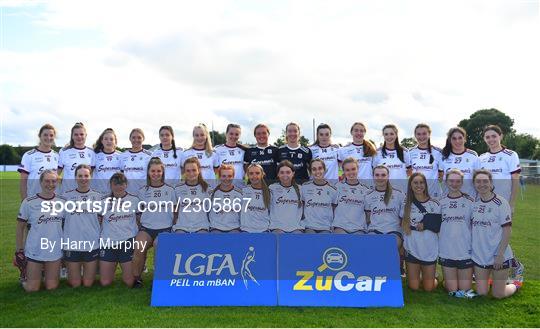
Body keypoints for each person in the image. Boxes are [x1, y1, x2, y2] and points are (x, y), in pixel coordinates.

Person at [479, 124, 524, 280]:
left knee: (501, 236)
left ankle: (515, 264)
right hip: (484, 204)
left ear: (500, 136)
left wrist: (511, 204)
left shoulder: (510, 155)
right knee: (486, 235)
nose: (491, 139)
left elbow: (515, 180)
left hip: (502, 205)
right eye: (487, 137)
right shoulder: (481, 158)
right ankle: (491, 267)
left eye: (494, 136)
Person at [471, 169, 522, 299]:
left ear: (491, 183)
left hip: (498, 254)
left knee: (498, 294)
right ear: (474, 184)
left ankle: (516, 282)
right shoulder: (473, 203)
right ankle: (492, 280)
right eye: (478, 181)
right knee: (482, 293)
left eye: (485, 181)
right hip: (480, 255)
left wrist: (499, 255)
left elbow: (507, 230)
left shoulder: (501, 203)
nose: (482, 184)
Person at [15, 170, 64, 292]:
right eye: (47, 181)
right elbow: (20, 227)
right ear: (41, 182)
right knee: (32, 289)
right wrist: (19, 250)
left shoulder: (63, 202)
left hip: (54, 249)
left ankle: (38, 274)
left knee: (51, 287)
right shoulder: (29, 202)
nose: (50, 184)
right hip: (35, 248)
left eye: (53, 181)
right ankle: (25, 277)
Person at [132, 157, 176, 288]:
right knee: (139, 246)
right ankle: (136, 279)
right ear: (148, 172)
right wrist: (142, 227)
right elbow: (138, 213)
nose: (156, 174)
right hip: (147, 228)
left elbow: (175, 212)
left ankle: (159, 279)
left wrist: (172, 227)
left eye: (158, 171)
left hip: (165, 228)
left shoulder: (170, 190)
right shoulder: (142, 191)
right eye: (153, 171)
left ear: (162, 172)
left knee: (159, 244)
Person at [62, 164, 101, 287]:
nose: (83, 178)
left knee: (88, 284)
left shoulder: (98, 197)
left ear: (90, 177)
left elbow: (102, 219)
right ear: (75, 178)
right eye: (80, 176)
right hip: (72, 243)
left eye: (86, 175)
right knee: (75, 284)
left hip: (92, 243)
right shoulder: (65, 197)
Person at [438, 169, 476, 298]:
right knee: (452, 291)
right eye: (451, 181)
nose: (454, 184)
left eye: (458, 181)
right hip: (446, 250)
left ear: (462, 182)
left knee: (465, 290)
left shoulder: (470, 201)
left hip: (465, 250)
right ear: (446, 182)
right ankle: (447, 281)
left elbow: (475, 226)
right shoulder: (439, 202)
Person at [99, 172, 141, 287]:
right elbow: (99, 221)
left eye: (121, 184)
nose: (118, 187)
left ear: (126, 185)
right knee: (105, 282)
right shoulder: (103, 201)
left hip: (127, 242)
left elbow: (139, 220)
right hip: (108, 243)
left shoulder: (134, 200)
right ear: (111, 185)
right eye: (115, 184)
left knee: (129, 282)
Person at [400, 172, 440, 292]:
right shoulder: (405, 204)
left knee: (429, 288)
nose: (419, 185)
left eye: (421, 182)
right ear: (410, 185)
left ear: (425, 185)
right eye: (415, 183)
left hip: (429, 248)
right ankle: (421, 275)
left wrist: (426, 224)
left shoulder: (435, 204)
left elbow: (438, 226)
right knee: (414, 287)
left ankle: (432, 276)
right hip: (412, 247)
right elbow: (402, 224)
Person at [365, 165, 405, 272]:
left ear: (388, 176)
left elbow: (402, 218)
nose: (380, 178)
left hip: (393, 231)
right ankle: (373, 273)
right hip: (375, 230)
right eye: (377, 175)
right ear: (373, 177)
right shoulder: (368, 195)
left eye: (383, 175)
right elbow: (368, 218)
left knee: (390, 244)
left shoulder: (399, 194)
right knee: (372, 244)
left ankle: (394, 274)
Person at [18, 124, 59, 200]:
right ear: (40, 136)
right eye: (45, 135)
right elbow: (23, 182)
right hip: (33, 200)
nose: (48, 138)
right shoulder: (28, 155)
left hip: (53, 201)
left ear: (54, 137)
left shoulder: (57, 156)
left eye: (51, 135)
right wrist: (24, 202)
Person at [332, 157, 371, 234]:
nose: (351, 172)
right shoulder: (337, 187)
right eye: (347, 170)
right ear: (343, 171)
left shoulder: (366, 190)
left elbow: (368, 213)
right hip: (340, 227)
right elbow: (332, 208)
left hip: (359, 229)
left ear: (358, 169)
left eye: (353, 169)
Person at [174, 157, 211, 233]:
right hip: (182, 227)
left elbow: (210, 210)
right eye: (188, 171)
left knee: (199, 244)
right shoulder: (177, 189)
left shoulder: (207, 188)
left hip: (202, 227)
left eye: (194, 170)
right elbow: (175, 210)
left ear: (199, 170)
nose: (191, 173)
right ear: (184, 171)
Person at [440, 127, 480, 198]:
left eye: (460, 138)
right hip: (448, 199)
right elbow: (439, 177)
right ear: (450, 140)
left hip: (469, 198)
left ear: (464, 139)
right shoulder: (443, 156)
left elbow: (478, 177)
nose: (457, 141)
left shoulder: (473, 155)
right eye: (454, 138)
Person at [301, 159, 338, 233]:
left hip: (326, 227)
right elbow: (301, 207)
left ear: (325, 170)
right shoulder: (304, 188)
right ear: (310, 172)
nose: (317, 171)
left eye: (320, 168)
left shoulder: (333, 190)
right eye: (314, 169)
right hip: (308, 227)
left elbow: (335, 210)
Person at [58, 122, 95, 193]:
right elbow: (57, 173)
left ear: (86, 135)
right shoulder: (64, 151)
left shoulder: (91, 152)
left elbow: (92, 172)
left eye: (81, 134)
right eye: (76, 134)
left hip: (85, 193)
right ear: (72, 136)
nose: (79, 137)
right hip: (67, 193)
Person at [409, 123, 443, 199]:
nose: (421, 137)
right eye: (418, 134)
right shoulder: (409, 153)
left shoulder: (438, 152)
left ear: (429, 134)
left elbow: (441, 174)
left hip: (435, 196)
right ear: (415, 136)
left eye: (424, 134)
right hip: (416, 195)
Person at [338, 122, 377, 187]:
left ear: (364, 133)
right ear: (351, 132)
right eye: (356, 130)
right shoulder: (343, 150)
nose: (359, 133)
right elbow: (337, 168)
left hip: (368, 187)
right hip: (350, 187)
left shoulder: (371, 149)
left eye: (361, 131)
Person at [373, 124, 411, 193]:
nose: (389, 137)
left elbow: (410, 170)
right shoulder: (378, 152)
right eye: (386, 134)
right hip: (384, 190)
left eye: (391, 134)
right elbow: (374, 172)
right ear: (383, 136)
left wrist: (400, 176)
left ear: (396, 135)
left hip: (401, 190)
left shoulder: (404, 151)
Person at [268, 160, 304, 233]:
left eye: (288, 172)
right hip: (276, 227)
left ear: (293, 173)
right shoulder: (272, 188)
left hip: (296, 228)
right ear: (278, 174)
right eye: (282, 172)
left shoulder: (301, 189)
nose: (285, 175)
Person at [208, 164, 243, 232]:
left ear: (233, 176)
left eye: (229, 176)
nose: (227, 179)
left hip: (234, 229)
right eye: (223, 176)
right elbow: (206, 212)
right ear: (219, 177)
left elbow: (243, 215)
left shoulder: (240, 194)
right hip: (216, 229)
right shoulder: (211, 194)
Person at [240, 164, 271, 233]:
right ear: (247, 175)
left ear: (262, 174)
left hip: (264, 231)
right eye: (251, 173)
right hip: (245, 231)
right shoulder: (243, 191)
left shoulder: (270, 192)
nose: (254, 176)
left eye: (257, 173)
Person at [91, 128, 122, 194]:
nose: (108, 141)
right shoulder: (95, 155)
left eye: (111, 139)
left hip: (115, 194)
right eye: (106, 139)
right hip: (98, 194)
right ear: (102, 141)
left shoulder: (121, 156)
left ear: (115, 142)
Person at [121, 128, 152, 194]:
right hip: (127, 193)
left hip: (144, 193)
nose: (136, 140)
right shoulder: (123, 156)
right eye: (133, 137)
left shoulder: (149, 155)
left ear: (143, 139)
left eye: (139, 137)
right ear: (130, 139)